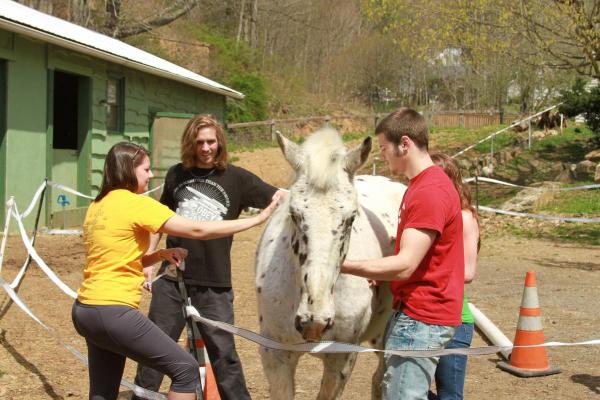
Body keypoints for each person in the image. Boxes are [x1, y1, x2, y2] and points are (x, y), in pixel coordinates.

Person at [72, 142, 279, 400]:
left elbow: (117, 260)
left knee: (103, 391)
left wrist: (158, 255)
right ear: (128, 170)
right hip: (114, 312)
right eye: (145, 170)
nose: (150, 175)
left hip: (85, 311)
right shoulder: (136, 204)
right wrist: (257, 219)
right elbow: (198, 230)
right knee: (186, 370)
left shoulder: (98, 205)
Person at [133, 114, 285, 400]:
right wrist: (150, 262)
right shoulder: (176, 174)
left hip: (214, 283)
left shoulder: (237, 178)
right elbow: (158, 219)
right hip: (172, 278)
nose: (205, 148)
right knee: (153, 351)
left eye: (211, 142)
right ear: (191, 143)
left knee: (224, 355)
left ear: (219, 142)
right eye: (200, 142)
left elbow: (279, 196)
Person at [341, 107, 464, 400]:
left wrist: (341, 266)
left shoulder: (429, 192)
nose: (381, 155)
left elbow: (406, 265)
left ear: (404, 144)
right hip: (413, 312)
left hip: (422, 318)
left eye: (384, 148)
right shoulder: (419, 186)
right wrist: (380, 271)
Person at [428, 153, 480, 400]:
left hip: (454, 321)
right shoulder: (425, 215)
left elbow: (468, 272)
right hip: (423, 317)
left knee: (450, 396)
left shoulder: (464, 217)